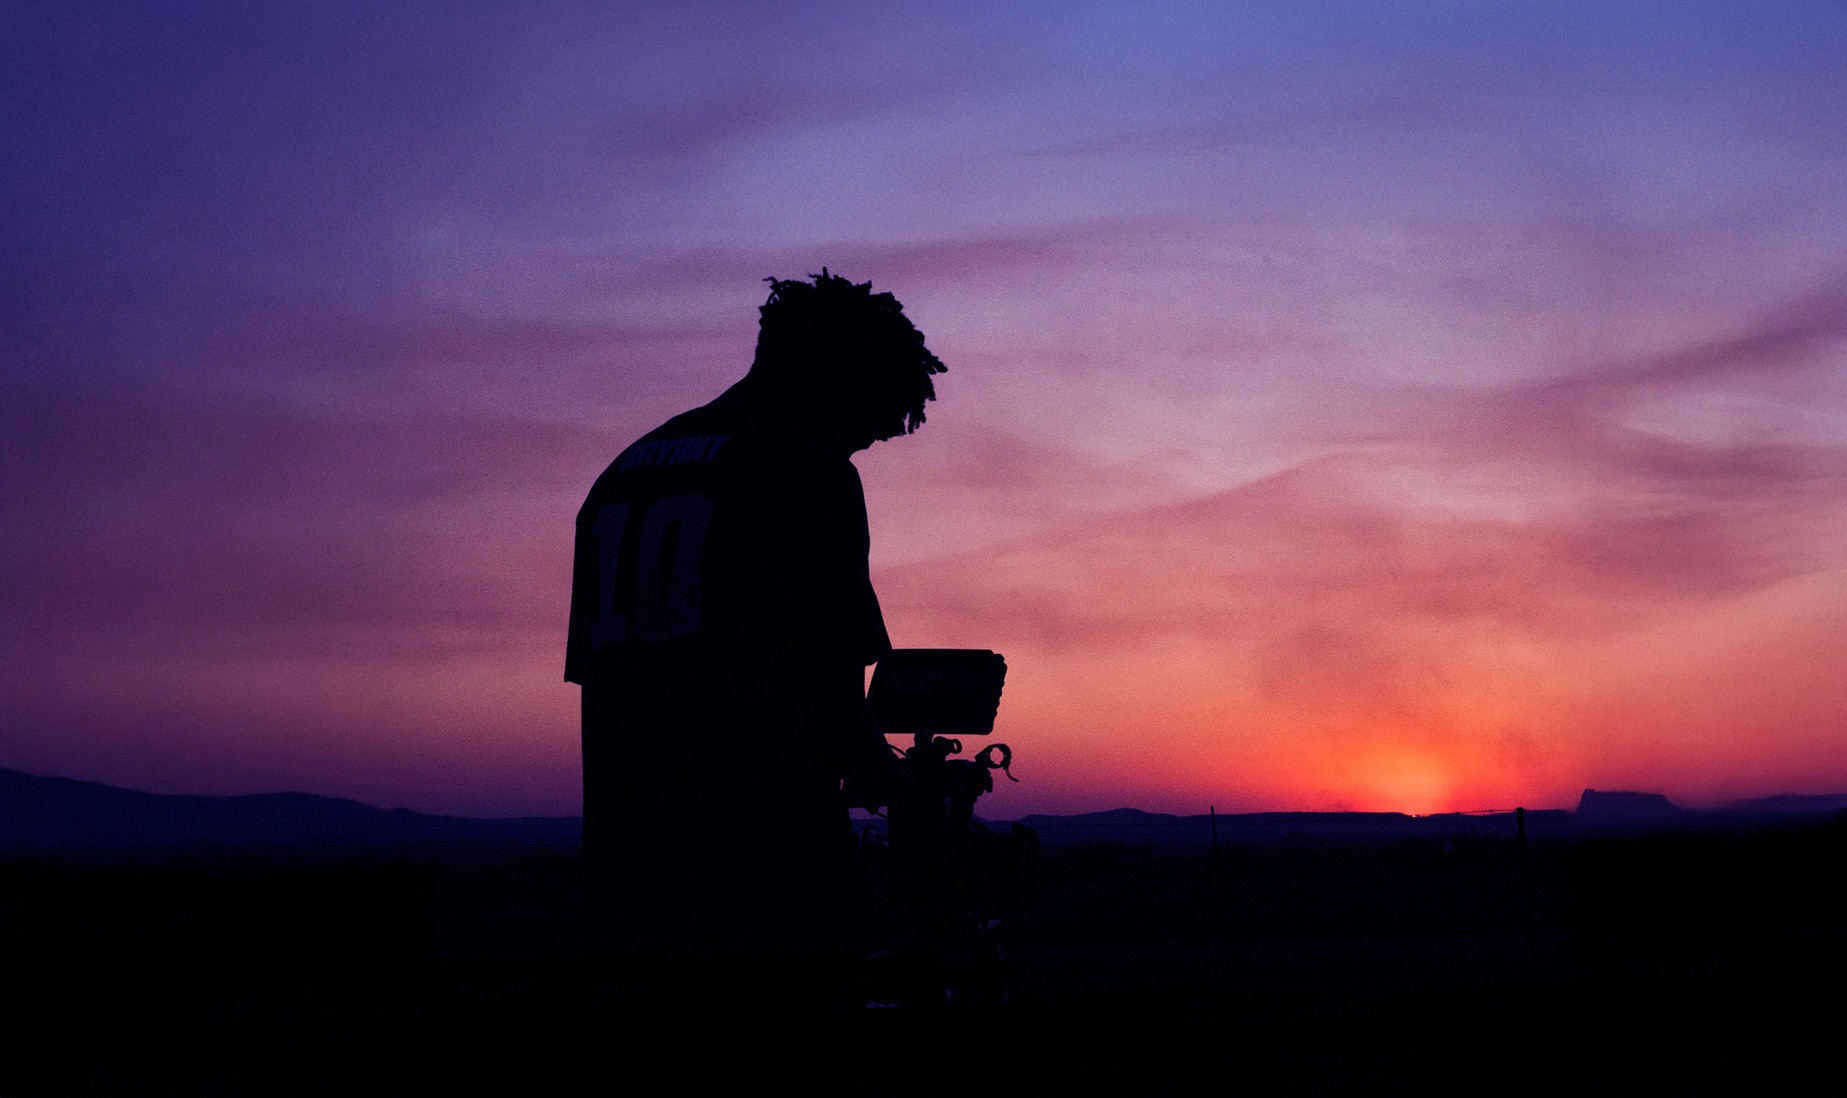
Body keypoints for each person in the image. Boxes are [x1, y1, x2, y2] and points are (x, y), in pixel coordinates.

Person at [565, 269, 944, 965]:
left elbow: (606, 676)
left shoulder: (623, 472)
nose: (869, 440)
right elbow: (824, 682)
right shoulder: (805, 471)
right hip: (761, 874)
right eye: (873, 415)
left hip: (628, 865)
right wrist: (903, 794)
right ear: (838, 374)